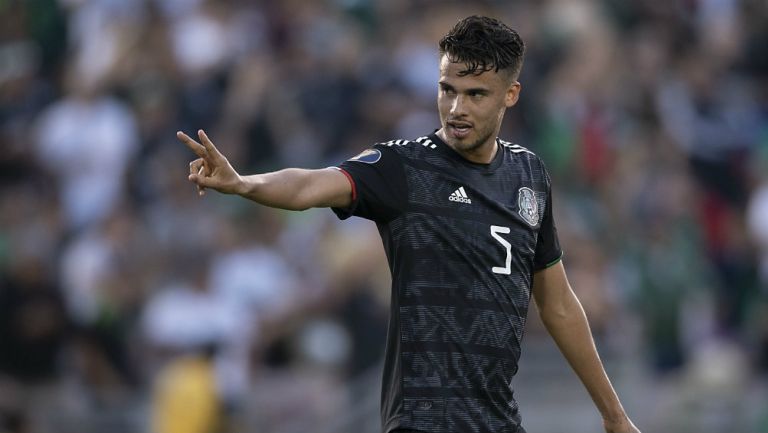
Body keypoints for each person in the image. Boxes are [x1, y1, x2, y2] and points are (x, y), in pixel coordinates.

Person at [177, 15, 640, 433]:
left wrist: (614, 416)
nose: (456, 107)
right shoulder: (403, 167)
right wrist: (245, 183)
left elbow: (558, 305)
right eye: (447, 89)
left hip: (499, 421)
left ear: (510, 95)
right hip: (422, 419)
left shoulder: (529, 176)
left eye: (475, 94)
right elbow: (311, 185)